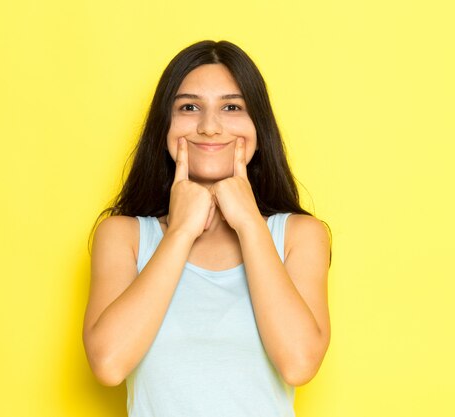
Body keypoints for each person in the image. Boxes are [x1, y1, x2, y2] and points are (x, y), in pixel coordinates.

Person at [83, 40, 331, 417]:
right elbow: (109, 364)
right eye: (189, 107)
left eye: (231, 107)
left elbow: (298, 364)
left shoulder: (299, 236)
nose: (209, 127)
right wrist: (180, 232)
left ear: (257, 126)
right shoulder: (124, 236)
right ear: (164, 126)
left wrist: (249, 223)